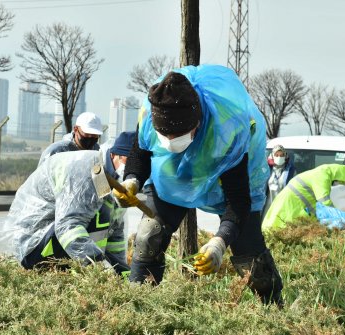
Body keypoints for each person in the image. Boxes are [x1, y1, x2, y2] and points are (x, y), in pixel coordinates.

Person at [118, 64, 283, 305]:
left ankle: (275, 310)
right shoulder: (150, 113)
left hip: (231, 176)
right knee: (147, 237)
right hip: (172, 175)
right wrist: (132, 180)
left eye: (179, 135)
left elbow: (238, 200)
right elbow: (140, 153)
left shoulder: (228, 129)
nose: (171, 142)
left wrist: (219, 242)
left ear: (197, 122)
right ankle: (137, 305)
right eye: (166, 136)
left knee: (250, 257)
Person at [0, 150, 133, 277]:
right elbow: (68, 225)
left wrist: (120, 271)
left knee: (104, 215)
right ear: (114, 155)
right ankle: (76, 271)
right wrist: (99, 268)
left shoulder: (112, 180)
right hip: (33, 243)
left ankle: (82, 269)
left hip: (51, 235)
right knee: (95, 217)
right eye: (128, 159)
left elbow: (115, 229)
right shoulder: (89, 170)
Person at [262, 163, 345, 231]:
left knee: (285, 224)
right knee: (279, 223)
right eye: (338, 180)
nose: (336, 183)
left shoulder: (322, 173)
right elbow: (325, 203)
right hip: (291, 200)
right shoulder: (323, 176)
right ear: (337, 175)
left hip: (294, 201)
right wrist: (339, 220)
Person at [38, 112, 103, 166]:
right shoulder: (58, 151)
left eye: (94, 135)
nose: (90, 137)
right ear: (75, 129)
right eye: (87, 133)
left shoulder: (97, 152)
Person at [263, 145, 296, 214]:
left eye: (281, 155)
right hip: (268, 207)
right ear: (272, 155)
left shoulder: (290, 170)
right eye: (276, 155)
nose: (279, 157)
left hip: (283, 207)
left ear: (285, 156)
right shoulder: (267, 168)